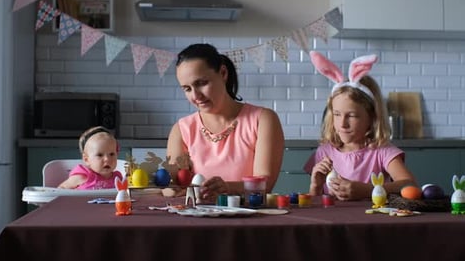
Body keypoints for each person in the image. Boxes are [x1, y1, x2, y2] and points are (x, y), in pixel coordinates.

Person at [166, 43, 285, 202]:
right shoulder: (181, 130)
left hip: (250, 219)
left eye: (201, 83)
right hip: (196, 221)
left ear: (223, 73)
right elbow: (173, 186)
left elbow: (265, 184)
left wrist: (227, 188)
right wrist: (167, 187)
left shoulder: (263, 120)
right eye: (187, 89)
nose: (196, 96)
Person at [303, 51, 417, 201]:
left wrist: (368, 190)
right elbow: (314, 205)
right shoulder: (324, 152)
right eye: (337, 114)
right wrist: (315, 187)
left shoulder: (382, 151)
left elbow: (410, 186)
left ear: (372, 117)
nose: (342, 124)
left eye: (351, 116)